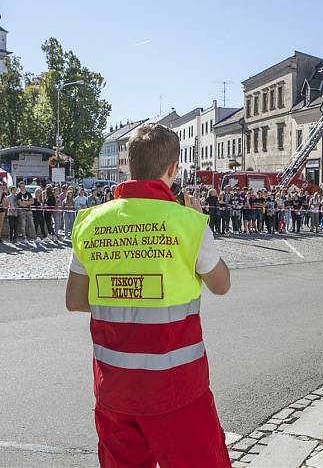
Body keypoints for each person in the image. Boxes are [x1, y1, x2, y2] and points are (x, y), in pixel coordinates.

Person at [65, 123, 231, 468]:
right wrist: (201, 223)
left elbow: (76, 301)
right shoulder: (186, 222)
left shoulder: (90, 222)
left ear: (129, 165)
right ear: (173, 169)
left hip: (114, 385)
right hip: (177, 386)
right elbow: (221, 284)